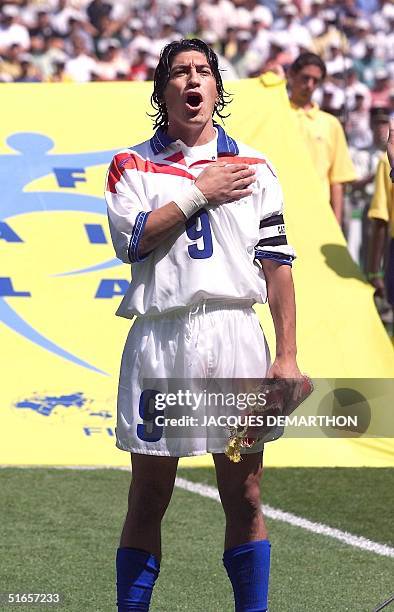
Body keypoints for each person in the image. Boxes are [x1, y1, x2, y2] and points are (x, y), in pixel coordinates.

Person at [105, 38, 302, 612]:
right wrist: (200, 191)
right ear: (162, 90)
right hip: (162, 337)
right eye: (179, 72)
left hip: (235, 333)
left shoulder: (256, 165)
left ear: (217, 87)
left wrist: (286, 356)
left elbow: (278, 264)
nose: (192, 80)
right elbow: (132, 239)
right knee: (149, 493)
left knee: (243, 491)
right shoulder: (131, 163)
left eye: (203, 71)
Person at [288, 52, 356, 225]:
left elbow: (337, 180)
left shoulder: (331, 124)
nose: (309, 85)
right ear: (291, 75)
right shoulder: (276, 114)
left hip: (318, 214)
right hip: (282, 209)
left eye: (315, 80)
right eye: (305, 78)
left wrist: (336, 222)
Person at [366, 115, 394, 330]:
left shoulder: (386, 161)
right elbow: (380, 218)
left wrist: (374, 271)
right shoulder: (387, 161)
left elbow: (380, 221)